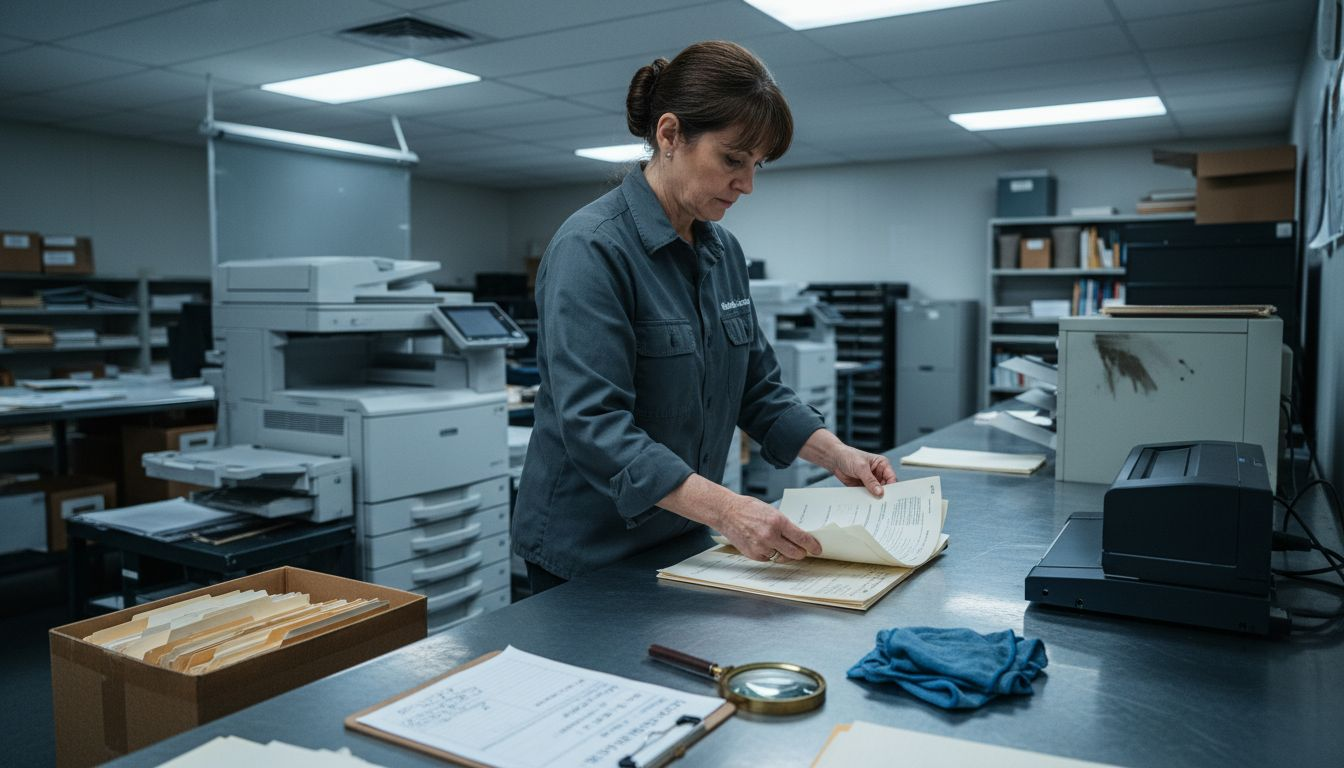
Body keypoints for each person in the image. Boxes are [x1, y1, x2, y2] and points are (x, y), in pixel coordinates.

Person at [512, 40, 896, 594]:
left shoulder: (723, 253)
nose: (747, 184)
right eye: (732, 159)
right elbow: (594, 425)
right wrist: (728, 509)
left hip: (682, 532)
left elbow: (756, 389)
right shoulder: (591, 249)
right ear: (669, 135)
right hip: (589, 550)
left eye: (756, 165)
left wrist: (839, 455)